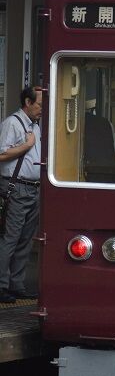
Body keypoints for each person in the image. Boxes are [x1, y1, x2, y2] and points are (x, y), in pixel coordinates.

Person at [0, 87, 42, 303]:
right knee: (11, 237)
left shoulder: (35, 125)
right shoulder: (12, 124)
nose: (42, 110)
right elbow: (1, 154)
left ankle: (16, 284)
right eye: (39, 105)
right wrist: (27, 145)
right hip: (17, 186)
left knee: (25, 239)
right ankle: (2, 285)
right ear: (27, 102)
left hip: (34, 187)